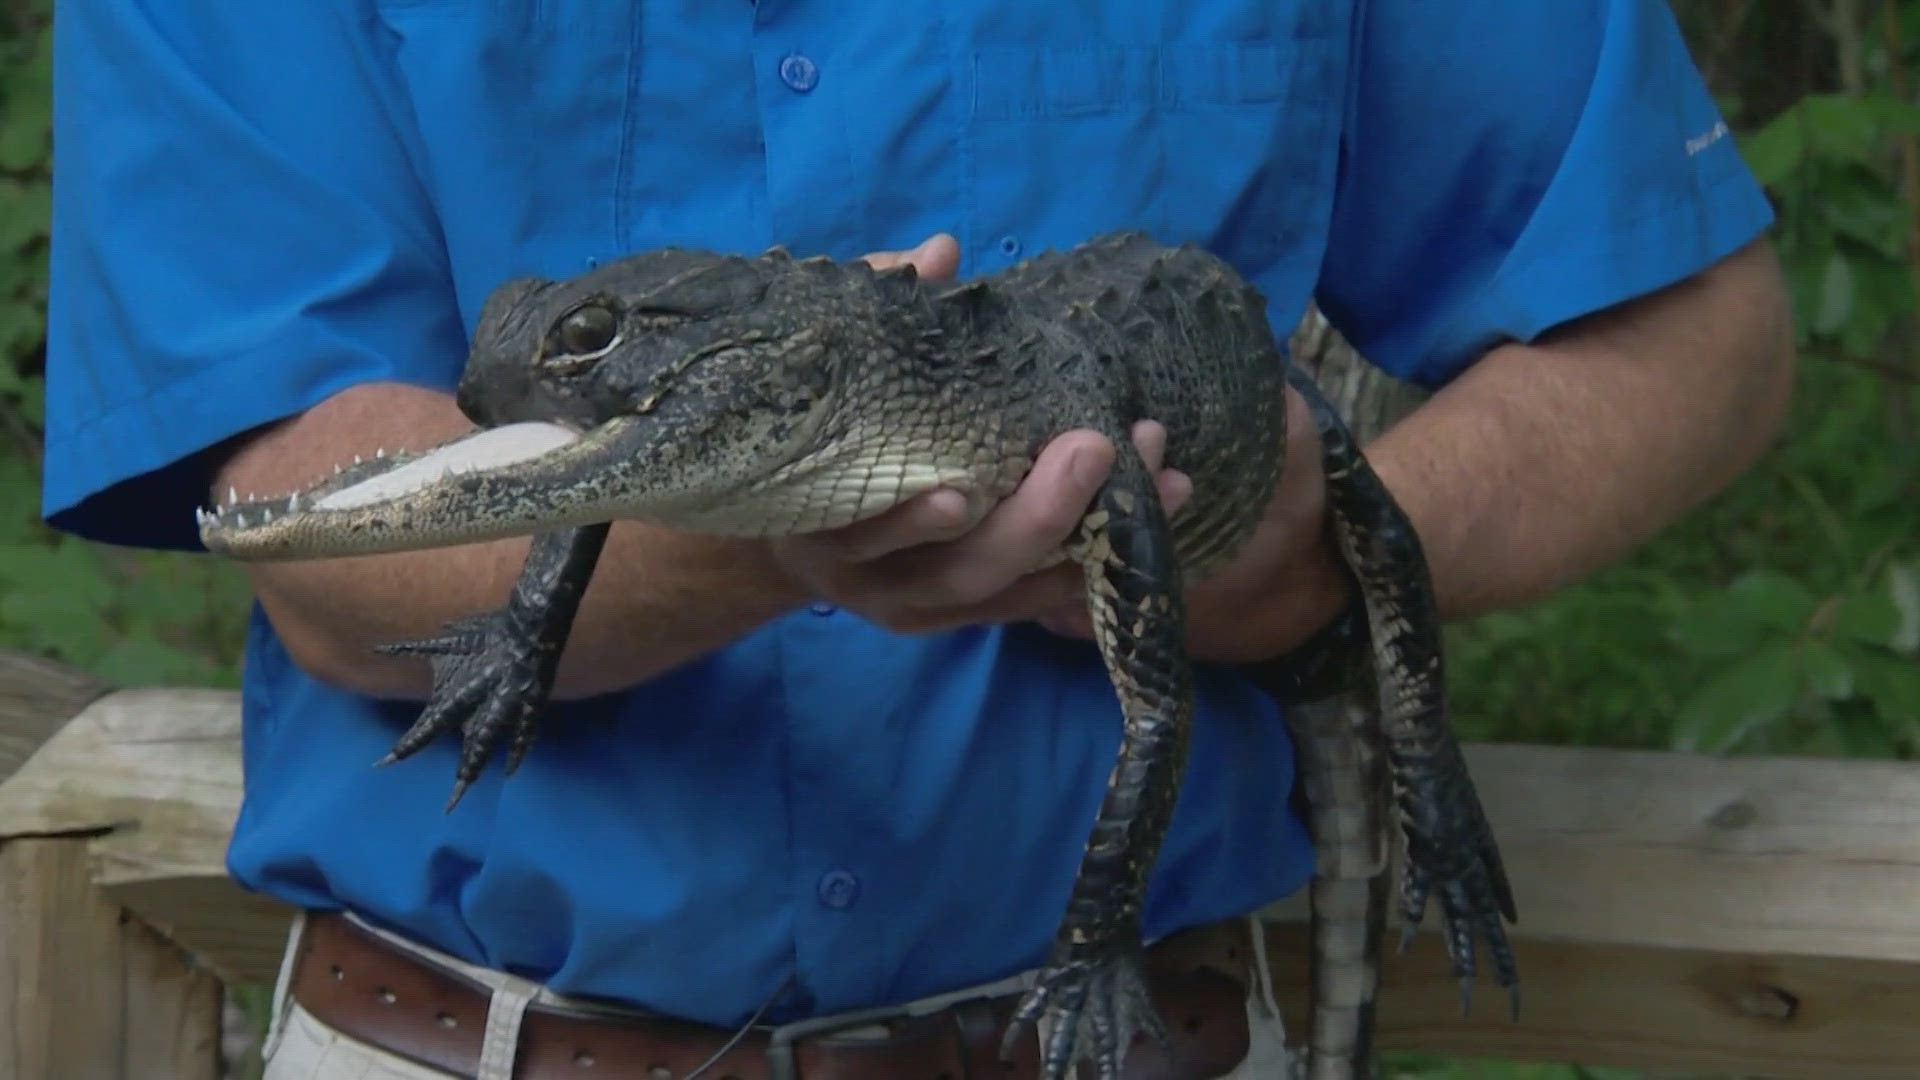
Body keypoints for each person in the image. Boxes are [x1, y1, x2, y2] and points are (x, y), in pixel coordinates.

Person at [41, 2, 1793, 1077]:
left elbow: (1696, 338)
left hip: (1135, 1035)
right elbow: (312, 521)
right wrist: (782, 529)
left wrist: (1302, 551)